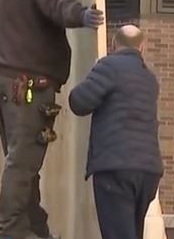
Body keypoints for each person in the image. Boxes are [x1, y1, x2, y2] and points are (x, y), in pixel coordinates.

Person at [0, 0, 105, 239]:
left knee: (24, 165)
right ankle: (10, 231)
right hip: (27, 87)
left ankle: (35, 230)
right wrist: (82, 15)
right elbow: (58, 1)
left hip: (2, 82)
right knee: (22, 164)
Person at [69, 25, 163, 239]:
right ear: (142, 47)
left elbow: (79, 102)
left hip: (116, 168)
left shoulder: (109, 66)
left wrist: (92, 74)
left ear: (113, 44)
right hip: (148, 171)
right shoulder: (149, 79)